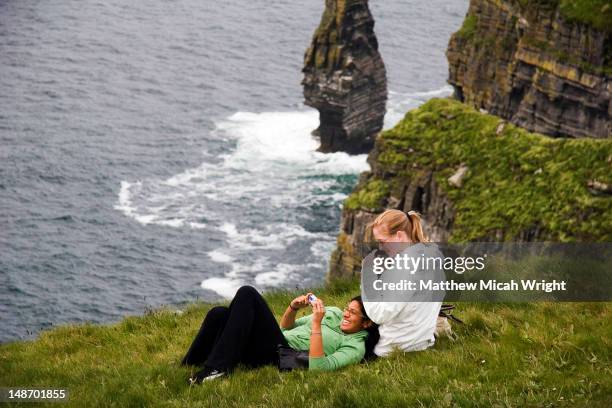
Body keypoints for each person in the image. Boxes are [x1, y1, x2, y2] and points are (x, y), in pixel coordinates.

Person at [181, 285, 377, 382]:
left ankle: (217, 368)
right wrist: (293, 308)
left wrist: (316, 324)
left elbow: (319, 367)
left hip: (284, 357)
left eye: (353, 313)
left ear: (366, 323)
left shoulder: (355, 346)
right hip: (276, 342)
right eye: (347, 309)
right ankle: (189, 363)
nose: (345, 314)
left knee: (248, 293)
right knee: (219, 313)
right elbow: (286, 329)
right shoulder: (333, 313)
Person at [361, 209, 443, 357]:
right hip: (423, 341)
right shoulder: (433, 253)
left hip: (392, 348)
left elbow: (379, 315)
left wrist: (367, 276)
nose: (380, 247)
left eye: (382, 241)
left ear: (399, 236)